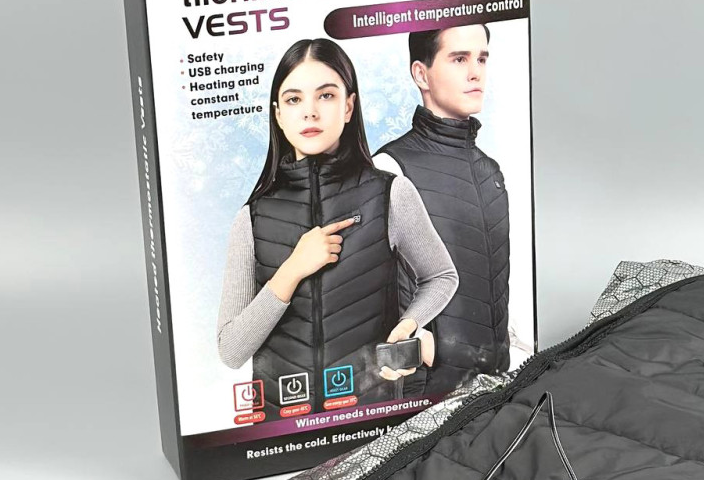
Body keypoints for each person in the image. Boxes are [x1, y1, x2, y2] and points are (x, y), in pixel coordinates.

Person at [217, 37, 458, 415]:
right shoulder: (251, 218)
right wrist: (293, 269)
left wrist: (409, 324)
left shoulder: (390, 194)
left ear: (348, 106)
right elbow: (231, 351)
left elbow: (441, 276)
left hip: (372, 418)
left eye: (326, 96)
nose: (310, 112)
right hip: (282, 428)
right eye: (294, 100)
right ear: (278, 114)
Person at [374, 23, 531, 398]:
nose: (476, 72)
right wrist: (426, 352)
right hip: (425, 399)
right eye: (459, 59)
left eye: (482, 59)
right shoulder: (389, 169)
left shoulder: (491, 172)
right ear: (421, 74)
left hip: (492, 390)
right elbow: (363, 305)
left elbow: (493, 287)